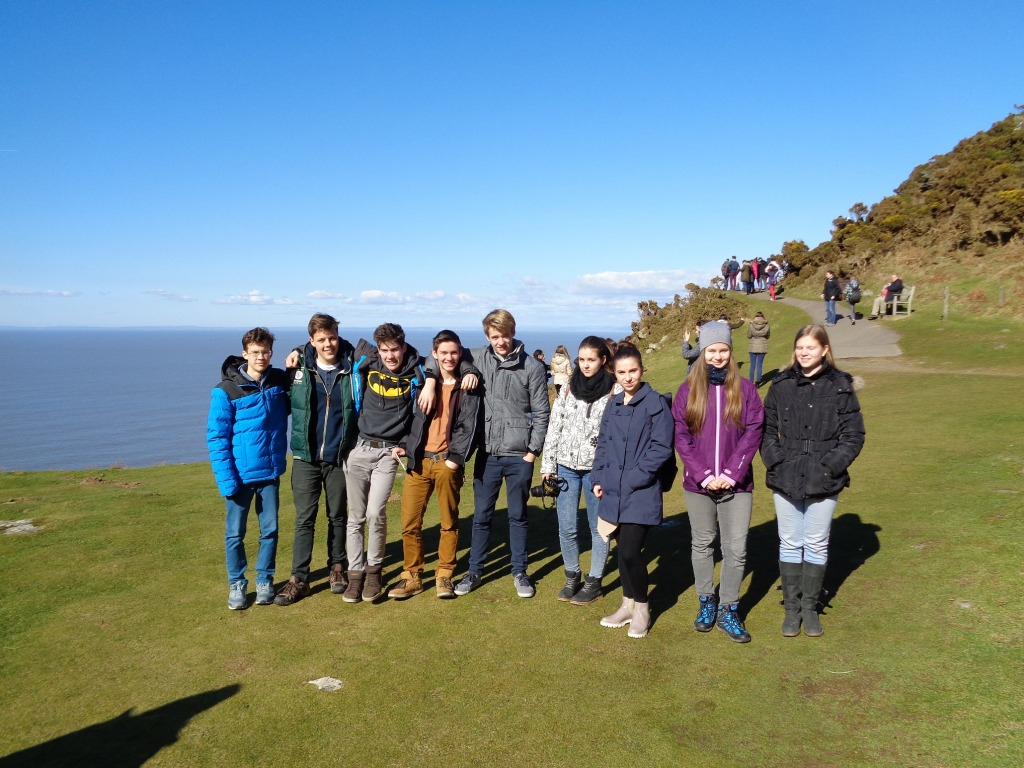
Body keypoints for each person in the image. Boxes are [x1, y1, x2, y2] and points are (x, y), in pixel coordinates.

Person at [422, 309, 550, 598]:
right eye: (494, 337)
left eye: (504, 335)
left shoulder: (531, 366)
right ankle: (475, 571)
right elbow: (438, 355)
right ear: (487, 337)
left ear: (512, 332)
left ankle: (520, 571)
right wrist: (430, 380)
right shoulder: (477, 357)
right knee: (481, 516)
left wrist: (532, 452)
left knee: (518, 516)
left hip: (519, 455)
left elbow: (542, 412)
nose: (500, 342)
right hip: (487, 453)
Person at [761, 325, 865, 637]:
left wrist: (831, 466)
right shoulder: (781, 384)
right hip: (786, 472)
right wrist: (777, 460)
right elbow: (766, 430)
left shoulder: (841, 385)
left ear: (824, 349)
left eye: (810, 347)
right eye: (800, 347)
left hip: (824, 475)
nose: (804, 352)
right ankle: (792, 608)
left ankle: (810, 607)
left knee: (817, 542)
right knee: (790, 541)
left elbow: (854, 435)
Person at [671, 323, 764, 643]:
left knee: (736, 548)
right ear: (702, 352)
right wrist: (704, 475)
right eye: (712, 350)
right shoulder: (687, 390)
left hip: (737, 484)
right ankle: (706, 601)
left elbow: (754, 431)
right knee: (702, 543)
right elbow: (681, 436)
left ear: (730, 351)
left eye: (723, 350)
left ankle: (728, 608)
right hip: (699, 485)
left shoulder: (746, 389)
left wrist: (732, 473)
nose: (718, 356)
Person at [389, 331, 481, 599]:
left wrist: (456, 459)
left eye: (454, 352)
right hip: (418, 462)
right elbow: (413, 419)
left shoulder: (468, 386)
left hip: (446, 463)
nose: (449, 358)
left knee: (448, 522)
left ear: (460, 353)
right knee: (409, 522)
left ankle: (444, 575)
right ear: (435, 354)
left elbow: (468, 427)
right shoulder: (422, 382)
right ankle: (412, 577)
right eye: (444, 353)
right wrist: (405, 445)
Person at [591, 344, 675, 639]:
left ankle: (642, 608)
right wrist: (597, 477)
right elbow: (603, 443)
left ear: (642, 369)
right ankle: (626, 605)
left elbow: (662, 448)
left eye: (633, 371)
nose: (628, 377)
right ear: (614, 372)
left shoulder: (655, 403)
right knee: (621, 549)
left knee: (629, 550)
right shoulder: (613, 403)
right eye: (622, 372)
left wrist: (633, 478)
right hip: (612, 487)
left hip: (641, 490)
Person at [275, 313, 357, 607]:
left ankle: (338, 567)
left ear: (338, 335)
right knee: (304, 519)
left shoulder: (353, 367)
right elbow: (268, 387)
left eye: (332, 337)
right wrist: (296, 352)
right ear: (311, 340)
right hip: (305, 457)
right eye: (321, 339)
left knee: (338, 516)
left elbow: (396, 355)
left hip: (338, 456)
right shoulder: (297, 369)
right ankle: (298, 578)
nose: (328, 344)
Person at [342, 323, 426, 603]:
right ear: (378, 349)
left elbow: (451, 358)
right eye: (385, 350)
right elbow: (329, 345)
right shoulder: (368, 358)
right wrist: (297, 351)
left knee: (375, 512)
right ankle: (355, 574)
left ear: (404, 346)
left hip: (388, 453)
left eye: (395, 349)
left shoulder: (417, 370)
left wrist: (405, 444)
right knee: (355, 516)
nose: (390, 356)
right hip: (359, 448)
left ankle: (373, 572)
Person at [207, 327, 290, 610]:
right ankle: (237, 584)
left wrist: (297, 355)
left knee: (270, 531)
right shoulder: (225, 390)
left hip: (270, 472)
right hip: (239, 476)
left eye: (265, 352)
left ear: (271, 353)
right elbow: (217, 438)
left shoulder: (279, 381)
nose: (261, 357)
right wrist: (226, 479)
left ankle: (265, 580)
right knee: (235, 534)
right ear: (245, 353)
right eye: (255, 352)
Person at [541, 336, 618, 604]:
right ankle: (572, 576)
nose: (585, 365)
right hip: (566, 467)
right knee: (567, 527)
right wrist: (548, 465)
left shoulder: (615, 390)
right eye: (582, 359)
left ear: (603, 360)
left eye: (591, 360)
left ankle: (594, 581)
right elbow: (555, 426)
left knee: (599, 528)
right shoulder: (568, 387)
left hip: (597, 470)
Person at [747, 311, 770, 386]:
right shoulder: (766, 325)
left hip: (753, 345)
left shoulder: (751, 324)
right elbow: (768, 336)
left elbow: (749, 336)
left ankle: (751, 381)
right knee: (759, 364)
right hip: (762, 346)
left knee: (752, 365)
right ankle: (758, 382)